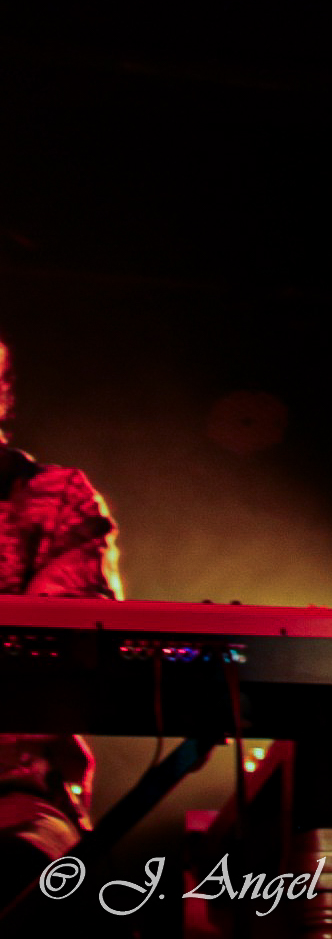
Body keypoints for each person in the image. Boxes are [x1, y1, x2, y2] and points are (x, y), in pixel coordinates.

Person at [0, 334, 124, 899]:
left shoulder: (57, 497)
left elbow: (67, 646)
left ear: (4, 396)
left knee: (36, 876)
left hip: (14, 799)